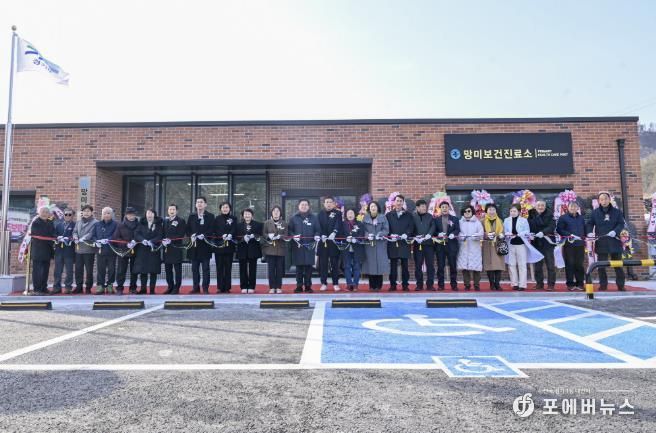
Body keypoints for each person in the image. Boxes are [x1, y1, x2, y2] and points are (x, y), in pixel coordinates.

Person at [587, 192, 626, 291]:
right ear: (599, 201)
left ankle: (621, 285)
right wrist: (590, 232)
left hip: (615, 241)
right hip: (602, 241)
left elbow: (621, 224)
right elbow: (590, 223)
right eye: (601, 199)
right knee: (601, 265)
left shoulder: (617, 212)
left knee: (618, 265)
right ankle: (603, 285)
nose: (604, 201)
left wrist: (615, 231)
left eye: (605, 199)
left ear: (609, 199)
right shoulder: (595, 212)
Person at [503, 204, 544, 291]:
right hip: (511, 244)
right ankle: (514, 283)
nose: (512, 213)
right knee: (511, 264)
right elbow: (505, 231)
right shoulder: (506, 220)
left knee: (522, 265)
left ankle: (522, 284)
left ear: (519, 212)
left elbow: (527, 231)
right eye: (511, 211)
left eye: (514, 211)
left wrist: (519, 234)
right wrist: (508, 234)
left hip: (521, 244)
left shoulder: (523, 220)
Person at [288, 199, 320, 293]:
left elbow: (318, 230)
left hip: (310, 245)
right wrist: (293, 236)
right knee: (299, 267)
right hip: (298, 246)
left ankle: (308, 286)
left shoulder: (314, 218)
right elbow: (289, 230)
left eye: (306, 205)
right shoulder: (294, 218)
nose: (304, 206)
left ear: (309, 206)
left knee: (309, 267)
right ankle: (299, 286)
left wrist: (317, 235)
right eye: (302, 204)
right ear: (299, 206)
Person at [186, 196, 215, 294]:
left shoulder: (210, 216)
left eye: (201, 202)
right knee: (194, 269)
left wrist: (205, 235)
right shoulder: (192, 216)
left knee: (206, 268)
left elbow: (212, 229)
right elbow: (188, 229)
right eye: (197, 202)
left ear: (205, 204)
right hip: (194, 246)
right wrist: (191, 235)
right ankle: (196, 287)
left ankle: (205, 288)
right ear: (195, 204)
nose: (199, 204)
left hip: (205, 246)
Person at [556, 201, 586, 291]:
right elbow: (559, 229)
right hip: (569, 245)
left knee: (579, 264)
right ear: (568, 208)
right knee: (570, 264)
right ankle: (570, 284)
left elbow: (584, 229)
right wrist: (569, 235)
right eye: (571, 207)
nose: (573, 208)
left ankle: (580, 283)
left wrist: (587, 234)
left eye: (575, 207)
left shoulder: (581, 218)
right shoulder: (563, 218)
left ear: (578, 208)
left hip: (580, 244)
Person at [386, 194, 413, 291]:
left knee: (405, 266)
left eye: (401, 201)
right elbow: (386, 228)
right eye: (397, 201)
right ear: (394, 202)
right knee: (393, 266)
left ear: (403, 203)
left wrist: (407, 233)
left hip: (404, 243)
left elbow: (411, 227)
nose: (399, 203)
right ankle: (393, 285)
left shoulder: (408, 215)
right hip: (393, 243)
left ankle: (405, 285)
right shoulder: (389, 215)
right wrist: (390, 235)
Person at [528, 201, 557, 291]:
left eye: (542, 205)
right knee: (537, 266)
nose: (540, 207)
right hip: (536, 243)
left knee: (550, 265)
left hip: (548, 243)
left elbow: (552, 226)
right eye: (538, 205)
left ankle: (551, 285)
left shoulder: (550, 214)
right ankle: (539, 284)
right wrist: (530, 234)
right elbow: (529, 226)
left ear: (545, 206)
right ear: (535, 206)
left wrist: (543, 232)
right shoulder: (531, 215)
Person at [133, 208, 163, 295]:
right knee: (143, 271)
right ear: (146, 215)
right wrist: (142, 240)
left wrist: (152, 241)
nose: (149, 215)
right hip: (142, 250)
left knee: (153, 271)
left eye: (151, 213)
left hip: (154, 250)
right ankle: (143, 289)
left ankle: (152, 289)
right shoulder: (141, 223)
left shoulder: (158, 224)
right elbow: (136, 234)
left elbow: (160, 235)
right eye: (148, 213)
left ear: (154, 215)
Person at [362, 201, 390, 291]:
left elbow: (386, 229)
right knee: (370, 264)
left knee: (379, 263)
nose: (373, 208)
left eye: (374, 206)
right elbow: (362, 230)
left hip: (380, 243)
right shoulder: (365, 217)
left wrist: (380, 234)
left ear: (377, 207)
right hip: (369, 244)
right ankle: (371, 285)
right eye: (371, 206)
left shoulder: (383, 217)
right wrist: (367, 235)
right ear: (369, 208)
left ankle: (378, 285)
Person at [317, 196, 342, 292]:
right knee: (323, 264)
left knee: (334, 264)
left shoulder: (338, 213)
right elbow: (318, 226)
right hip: (323, 242)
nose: (328, 204)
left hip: (333, 242)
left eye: (330, 202)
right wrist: (321, 235)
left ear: (334, 203)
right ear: (324, 204)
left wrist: (334, 232)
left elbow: (338, 224)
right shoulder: (320, 214)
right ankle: (323, 283)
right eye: (327, 202)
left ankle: (335, 283)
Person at [434, 200, 460, 291]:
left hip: (451, 245)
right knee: (440, 266)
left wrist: (453, 233)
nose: (444, 208)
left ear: (449, 208)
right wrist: (438, 233)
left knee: (453, 266)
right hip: (440, 246)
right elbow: (434, 231)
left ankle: (454, 285)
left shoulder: (455, 219)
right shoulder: (436, 219)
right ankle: (441, 285)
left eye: (446, 207)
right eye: (443, 207)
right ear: (440, 209)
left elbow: (457, 229)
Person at [113, 207, 139, 295]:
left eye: (133, 214)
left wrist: (135, 241)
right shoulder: (120, 225)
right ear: (126, 215)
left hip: (135, 250)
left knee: (134, 270)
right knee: (121, 270)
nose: (131, 216)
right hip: (123, 251)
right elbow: (116, 238)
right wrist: (126, 244)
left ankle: (133, 288)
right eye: (129, 214)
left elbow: (140, 235)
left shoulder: (139, 224)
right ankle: (119, 288)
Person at [457, 205, 484, 291]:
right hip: (464, 247)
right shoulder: (460, 222)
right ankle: (467, 285)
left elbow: (481, 233)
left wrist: (476, 236)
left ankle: (476, 284)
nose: (467, 213)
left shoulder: (477, 222)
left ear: (472, 212)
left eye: (469, 211)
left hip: (474, 247)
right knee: (465, 267)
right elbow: (457, 233)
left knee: (476, 267)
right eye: (465, 211)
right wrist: (462, 236)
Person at [261, 206, 288, 294]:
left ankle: (279, 287)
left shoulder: (284, 223)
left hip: (280, 249)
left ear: (280, 213)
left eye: (278, 211)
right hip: (270, 249)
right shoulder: (267, 223)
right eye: (274, 211)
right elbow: (263, 234)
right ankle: (272, 287)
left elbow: (286, 235)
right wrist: (269, 236)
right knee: (271, 269)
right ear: (271, 213)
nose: (276, 213)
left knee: (279, 270)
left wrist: (280, 236)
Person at [30, 206, 55, 295]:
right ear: (39, 213)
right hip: (38, 251)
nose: (44, 214)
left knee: (45, 270)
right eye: (43, 212)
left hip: (47, 250)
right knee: (37, 271)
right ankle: (37, 289)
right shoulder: (36, 222)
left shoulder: (50, 222)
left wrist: (56, 237)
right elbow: (41, 234)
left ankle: (44, 288)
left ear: (49, 214)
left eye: (46, 212)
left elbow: (53, 233)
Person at [236, 208, 263, 294]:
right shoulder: (238, 225)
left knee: (252, 269)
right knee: (242, 269)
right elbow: (235, 237)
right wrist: (243, 238)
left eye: (249, 214)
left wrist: (254, 236)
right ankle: (243, 286)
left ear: (252, 215)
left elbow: (260, 235)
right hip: (242, 249)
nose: (247, 215)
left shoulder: (258, 224)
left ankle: (251, 286)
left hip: (253, 249)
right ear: (243, 216)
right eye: (245, 214)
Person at [162, 203, 187, 295]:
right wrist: (163, 240)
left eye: (173, 209)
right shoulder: (165, 221)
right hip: (167, 249)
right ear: (168, 211)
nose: (171, 211)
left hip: (176, 248)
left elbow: (181, 234)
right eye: (170, 209)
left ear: (177, 211)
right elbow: (163, 233)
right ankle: (170, 286)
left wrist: (171, 240)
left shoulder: (181, 221)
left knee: (177, 270)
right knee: (168, 269)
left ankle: (177, 287)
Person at [412, 199, 436, 291]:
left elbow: (433, 226)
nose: (424, 208)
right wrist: (415, 236)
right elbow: (411, 228)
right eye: (422, 206)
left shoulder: (430, 216)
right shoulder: (413, 217)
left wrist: (429, 234)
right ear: (417, 207)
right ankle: (419, 285)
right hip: (418, 244)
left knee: (430, 265)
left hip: (429, 245)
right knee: (418, 265)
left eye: (425, 206)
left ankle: (430, 284)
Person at [73, 205, 98, 294]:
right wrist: (75, 237)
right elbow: (74, 231)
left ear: (91, 212)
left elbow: (92, 233)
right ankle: (79, 287)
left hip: (89, 249)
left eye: (88, 211)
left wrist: (84, 238)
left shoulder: (95, 222)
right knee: (78, 269)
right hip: (79, 249)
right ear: (82, 212)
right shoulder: (78, 222)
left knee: (89, 270)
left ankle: (88, 287)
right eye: (84, 211)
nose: (86, 213)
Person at [93, 207, 118, 295]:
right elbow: (93, 235)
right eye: (104, 213)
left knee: (111, 269)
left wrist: (108, 239)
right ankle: (100, 285)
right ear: (102, 215)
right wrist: (96, 241)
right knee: (101, 269)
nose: (106, 215)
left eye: (108, 213)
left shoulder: (115, 224)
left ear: (111, 215)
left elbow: (116, 235)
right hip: (100, 250)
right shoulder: (97, 224)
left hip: (111, 250)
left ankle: (110, 284)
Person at [213, 201, 237, 293]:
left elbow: (235, 228)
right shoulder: (217, 219)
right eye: (223, 207)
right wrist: (221, 235)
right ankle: (220, 287)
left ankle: (227, 287)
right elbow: (215, 230)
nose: (225, 209)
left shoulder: (233, 218)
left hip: (229, 246)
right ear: (220, 209)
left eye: (227, 207)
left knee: (228, 267)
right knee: (219, 267)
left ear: (230, 209)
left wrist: (230, 234)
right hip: (219, 246)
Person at [341, 208, 366, 291]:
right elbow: (340, 235)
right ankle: (349, 284)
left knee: (357, 266)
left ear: (355, 214)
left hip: (357, 247)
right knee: (347, 266)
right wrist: (346, 238)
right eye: (348, 213)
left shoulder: (360, 224)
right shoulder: (343, 224)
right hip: (346, 248)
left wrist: (356, 239)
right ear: (346, 215)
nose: (350, 215)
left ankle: (355, 284)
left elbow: (362, 234)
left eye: (351, 213)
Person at [482, 203, 505, 291]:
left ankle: (497, 284)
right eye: (490, 209)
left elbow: (503, 231)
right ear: (486, 211)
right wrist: (486, 235)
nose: (492, 211)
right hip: (488, 245)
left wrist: (502, 235)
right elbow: (480, 233)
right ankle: (491, 284)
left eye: (493, 209)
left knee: (498, 265)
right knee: (489, 266)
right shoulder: (482, 221)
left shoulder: (500, 221)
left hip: (498, 245)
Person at [52, 208, 76, 294]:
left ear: (73, 216)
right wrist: (57, 238)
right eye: (66, 214)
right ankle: (56, 287)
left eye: (70, 214)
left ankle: (68, 287)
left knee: (69, 271)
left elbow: (76, 235)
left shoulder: (75, 225)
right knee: (57, 271)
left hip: (69, 251)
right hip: (59, 250)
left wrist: (69, 238)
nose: (67, 216)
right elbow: (54, 234)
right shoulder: (58, 225)